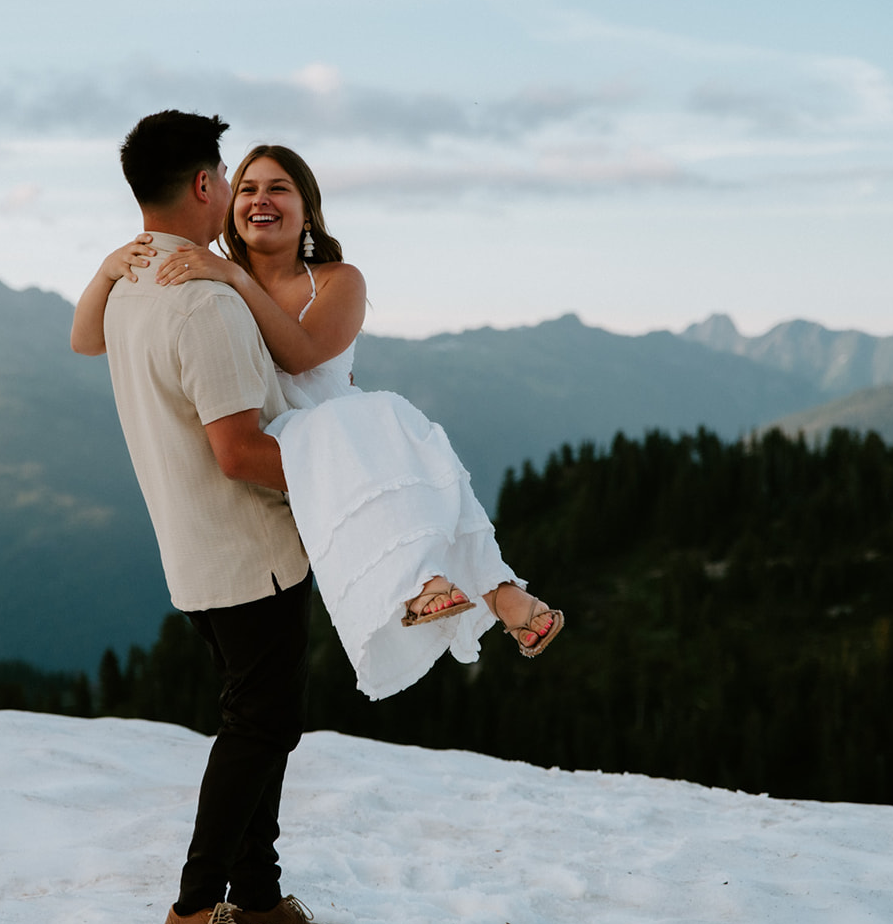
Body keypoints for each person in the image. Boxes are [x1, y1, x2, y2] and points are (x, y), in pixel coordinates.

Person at [73, 142, 562, 703]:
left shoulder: (336, 280)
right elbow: (86, 341)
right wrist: (108, 269)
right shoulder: (211, 285)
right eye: (249, 187)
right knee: (404, 464)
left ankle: (484, 591)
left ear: (307, 209)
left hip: (335, 429)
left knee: (413, 449)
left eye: (279, 188)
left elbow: (302, 354)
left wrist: (236, 279)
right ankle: (472, 590)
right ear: (229, 203)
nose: (261, 199)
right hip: (286, 441)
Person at [87, 111, 355, 924]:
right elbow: (240, 451)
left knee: (261, 718)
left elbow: (82, 338)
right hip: (251, 551)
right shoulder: (204, 301)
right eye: (232, 177)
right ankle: (198, 906)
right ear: (205, 185)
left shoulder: (128, 288)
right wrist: (345, 481)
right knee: (259, 726)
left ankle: (260, 892)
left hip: (193, 546)